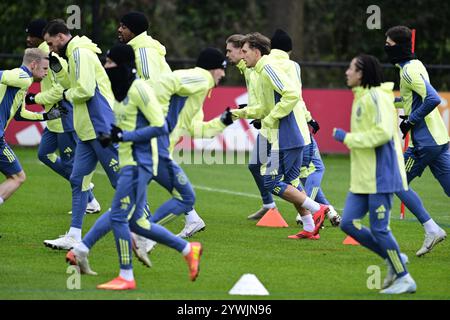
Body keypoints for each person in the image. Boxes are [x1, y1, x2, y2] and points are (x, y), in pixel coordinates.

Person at [66, 44, 202, 290]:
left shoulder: (139, 89)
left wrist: (124, 137)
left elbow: (160, 126)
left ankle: (125, 275)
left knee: (118, 216)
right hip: (129, 161)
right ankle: (187, 249)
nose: (106, 68)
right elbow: (125, 128)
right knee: (138, 223)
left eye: (110, 63)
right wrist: (111, 137)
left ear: (124, 65)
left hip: (141, 163)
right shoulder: (120, 92)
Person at [132, 47, 233, 262]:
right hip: (156, 148)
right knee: (186, 197)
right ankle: (144, 233)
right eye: (222, 69)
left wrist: (224, 121)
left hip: (155, 148)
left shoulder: (198, 91)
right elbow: (166, 82)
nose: (224, 75)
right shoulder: (201, 78)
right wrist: (159, 119)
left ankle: (81, 247)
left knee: (124, 202)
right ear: (214, 69)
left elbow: (198, 130)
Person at [232, 33, 328, 240]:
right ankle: (310, 227)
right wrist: (238, 113)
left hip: (287, 136)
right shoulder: (260, 70)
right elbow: (264, 107)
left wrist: (271, 118)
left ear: (257, 52)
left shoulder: (267, 68)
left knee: (270, 181)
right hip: (284, 135)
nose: (242, 55)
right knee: (291, 181)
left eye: (245, 51)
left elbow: (292, 94)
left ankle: (318, 208)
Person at [335, 54, 416, 294]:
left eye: (351, 68)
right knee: (348, 223)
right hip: (363, 177)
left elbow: (382, 133)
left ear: (361, 73)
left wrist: (347, 138)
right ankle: (395, 258)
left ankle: (405, 277)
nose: (346, 72)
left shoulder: (377, 97)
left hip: (381, 175)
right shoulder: (360, 97)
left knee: (380, 229)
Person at [42, 19, 119, 250]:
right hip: (87, 128)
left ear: (61, 36)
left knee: (121, 181)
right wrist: (60, 73)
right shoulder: (71, 54)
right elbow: (77, 84)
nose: (50, 47)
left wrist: (65, 95)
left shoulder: (79, 53)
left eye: (50, 43)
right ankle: (74, 235)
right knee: (78, 180)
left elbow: (84, 90)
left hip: (99, 125)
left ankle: (145, 228)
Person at [25, 19, 100, 215]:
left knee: (70, 162)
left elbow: (61, 88)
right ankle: (87, 190)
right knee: (44, 154)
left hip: (62, 115)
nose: (27, 39)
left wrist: (34, 98)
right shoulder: (46, 52)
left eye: (30, 35)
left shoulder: (47, 54)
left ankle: (90, 200)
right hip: (53, 116)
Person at [385, 26, 447, 257]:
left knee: (395, 180)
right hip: (439, 139)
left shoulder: (409, 71)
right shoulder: (415, 65)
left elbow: (433, 98)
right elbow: (415, 99)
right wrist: (389, 101)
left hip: (425, 142)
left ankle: (432, 229)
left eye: (389, 45)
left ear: (398, 47)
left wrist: (411, 120)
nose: (386, 49)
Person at [0, 48, 65, 208]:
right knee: (17, 177)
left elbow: (20, 114)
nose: (45, 73)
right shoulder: (22, 76)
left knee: (17, 176)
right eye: (44, 69)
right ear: (34, 64)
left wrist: (46, 116)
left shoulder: (22, 82)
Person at [225, 33, 280, 220]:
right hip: (266, 123)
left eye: (230, 50)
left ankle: (317, 208)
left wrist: (256, 114)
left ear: (242, 51)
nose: (227, 55)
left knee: (291, 171)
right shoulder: (248, 69)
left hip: (274, 124)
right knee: (256, 165)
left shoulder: (253, 70)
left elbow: (274, 97)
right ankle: (269, 204)